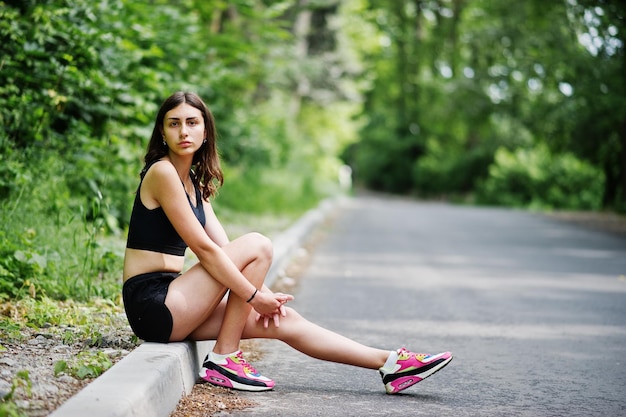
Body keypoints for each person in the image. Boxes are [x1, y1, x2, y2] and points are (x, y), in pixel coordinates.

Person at [122, 91, 453, 394]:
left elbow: (225, 250)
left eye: (192, 123)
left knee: (283, 320)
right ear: (162, 133)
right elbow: (207, 252)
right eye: (174, 124)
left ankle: (390, 364)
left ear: (205, 132)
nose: (184, 132)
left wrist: (263, 298)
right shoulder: (162, 173)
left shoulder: (192, 183)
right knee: (258, 244)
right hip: (153, 303)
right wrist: (253, 295)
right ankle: (224, 358)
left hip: (177, 302)